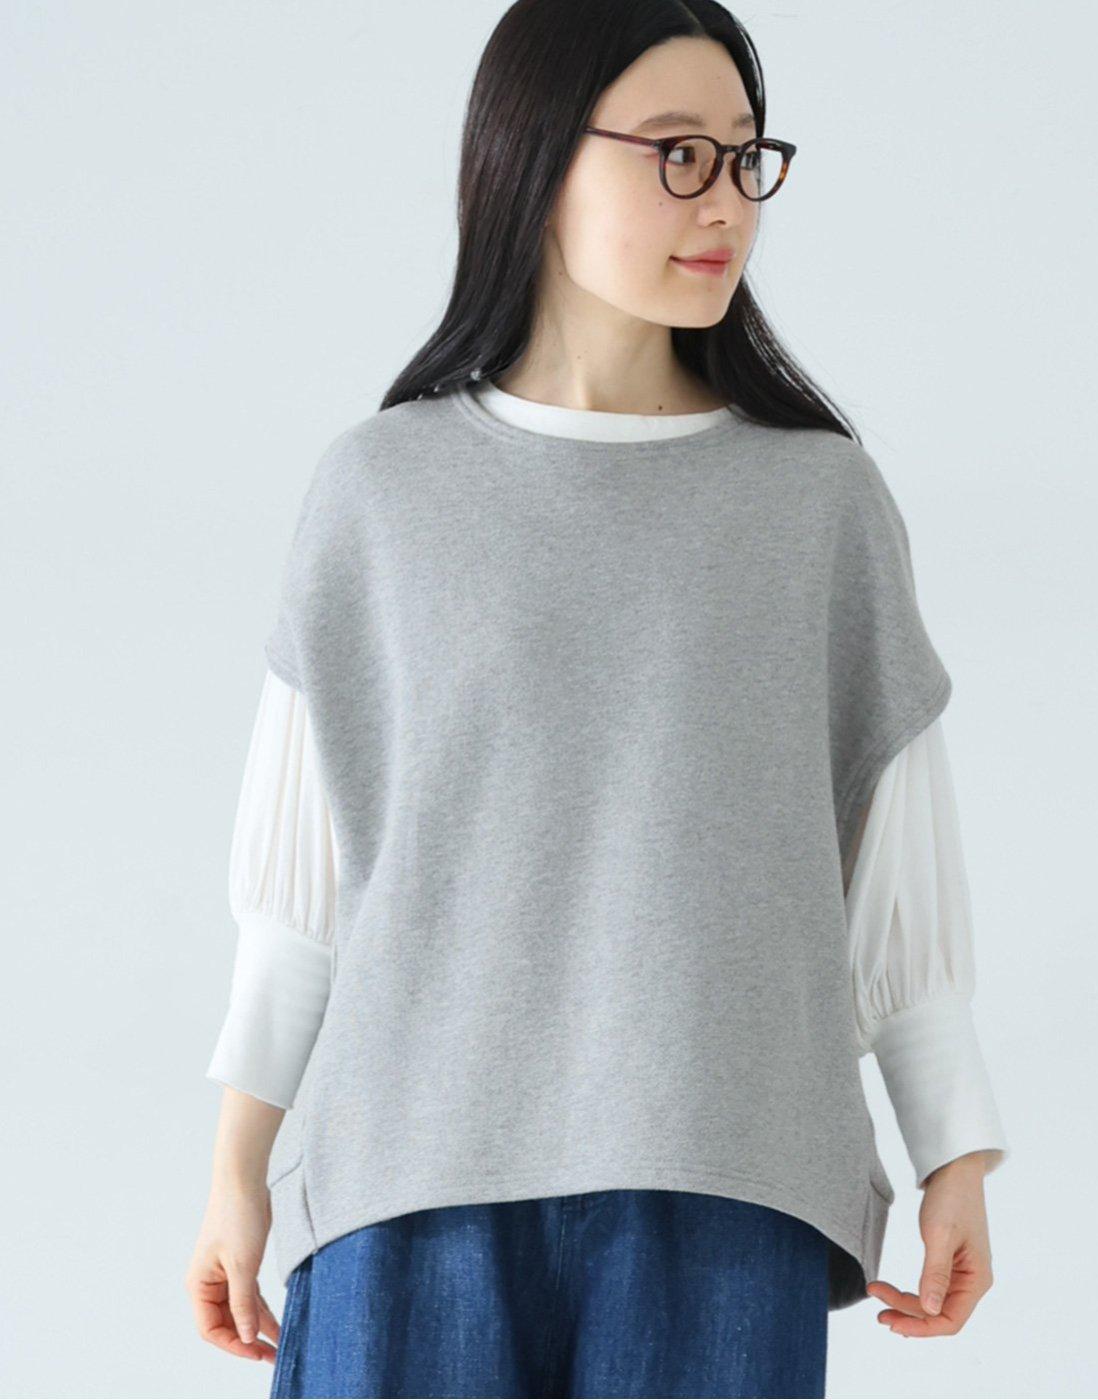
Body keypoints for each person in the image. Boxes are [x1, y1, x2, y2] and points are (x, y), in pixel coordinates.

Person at [185, 2, 1009, 1396]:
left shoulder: (819, 504)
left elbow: (895, 884)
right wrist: (237, 1171)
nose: (727, 202)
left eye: (747, 157)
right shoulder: (381, 490)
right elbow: (301, 895)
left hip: (728, 1177)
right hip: (409, 1179)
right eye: (678, 154)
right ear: (534, 159)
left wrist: (955, 1156)